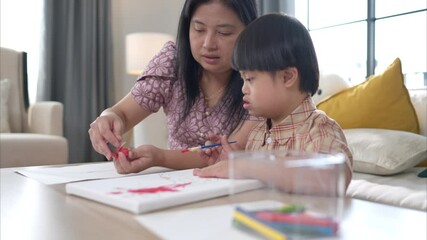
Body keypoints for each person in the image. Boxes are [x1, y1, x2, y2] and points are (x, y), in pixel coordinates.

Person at [88, 0, 261, 174]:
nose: (208, 44)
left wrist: (160, 158)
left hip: (229, 185)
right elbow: (122, 114)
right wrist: (108, 118)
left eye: (224, 32)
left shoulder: (260, 81)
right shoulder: (171, 63)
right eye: (199, 29)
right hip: (173, 184)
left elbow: (226, 151)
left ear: (249, 32)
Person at [193, 13, 353, 195]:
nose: (244, 89)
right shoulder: (258, 134)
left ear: (287, 77)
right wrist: (231, 163)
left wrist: (247, 166)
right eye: (243, 79)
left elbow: (332, 179)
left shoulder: (319, 130)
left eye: (250, 79)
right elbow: (258, 183)